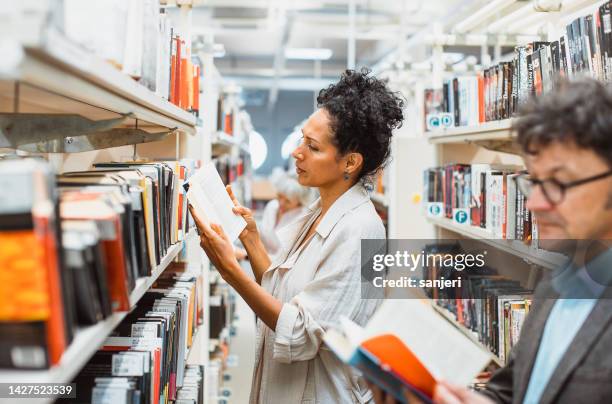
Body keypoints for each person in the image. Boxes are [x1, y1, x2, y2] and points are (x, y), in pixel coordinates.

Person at [370, 78, 612, 404]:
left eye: (558, 182)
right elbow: (513, 391)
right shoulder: (557, 279)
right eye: (533, 181)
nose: (534, 203)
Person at [190, 67, 404, 403]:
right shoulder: (320, 210)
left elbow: (301, 331)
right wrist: (251, 239)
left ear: (350, 162)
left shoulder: (362, 232)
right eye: (302, 138)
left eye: (313, 147)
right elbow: (283, 294)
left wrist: (232, 272)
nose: (297, 152)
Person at [259, 171, 313, 258]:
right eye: (279, 196)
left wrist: (246, 255)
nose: (281, 203)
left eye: (287, 201)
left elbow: (281, 259)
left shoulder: (302, 220)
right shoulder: (272, 205)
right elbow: (260, 238)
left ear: (300, 202)